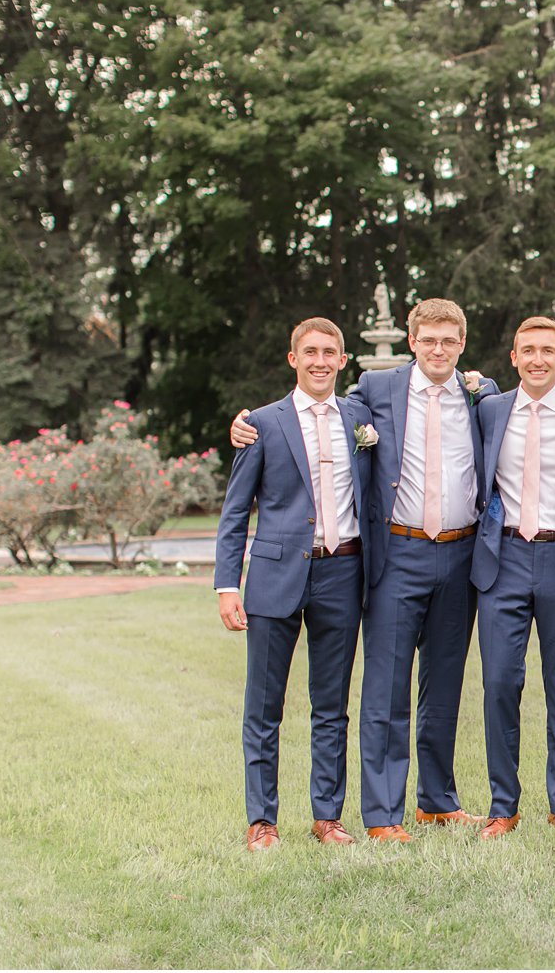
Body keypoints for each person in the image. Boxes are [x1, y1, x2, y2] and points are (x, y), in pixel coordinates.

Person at [231, 299, 498, 842]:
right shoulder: (375, 393)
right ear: (412, 341)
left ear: (462, 344)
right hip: (396, 554)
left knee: (444, 686)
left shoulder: (481, 397)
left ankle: (437, 801)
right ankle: (382, 814)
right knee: (385, 687)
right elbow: (311, 410)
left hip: (460, 552)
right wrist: (244, 423)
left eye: (449, 340)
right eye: (428, 340)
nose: (439, 349)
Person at [215, 318, 372, 850]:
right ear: (293, 359)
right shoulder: (261, 423)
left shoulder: (361, 416)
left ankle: (327, 816)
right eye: (310, 352)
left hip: (343, 572)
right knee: (264, 705)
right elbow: (236, 511)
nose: (320, 361)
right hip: (274, 575)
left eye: (330, 352)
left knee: (332, 704)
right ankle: (262, 820)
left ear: (343, 360)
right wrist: (225, 585)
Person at [470, 316, 555, 839]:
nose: (538, 359)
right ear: (513, 357)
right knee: (500, 683)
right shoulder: (489, 409)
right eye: (528, 350)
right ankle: (504, 806)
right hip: (501, 559)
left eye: (548, 350)